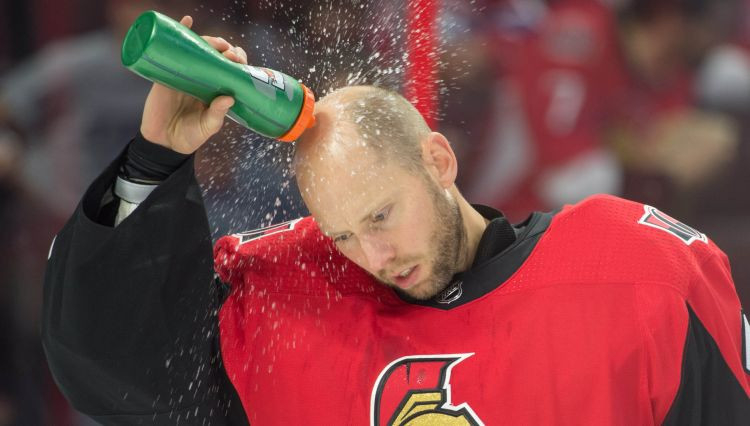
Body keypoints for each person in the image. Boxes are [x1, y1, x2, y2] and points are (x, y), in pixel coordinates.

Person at [42, 15, 750, 425]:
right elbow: (105, 358)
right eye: (343, 232)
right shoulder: (292, 296)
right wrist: (153, 160)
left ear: (438, 160)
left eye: (383, 213)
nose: (374, 253)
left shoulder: (632, 274)